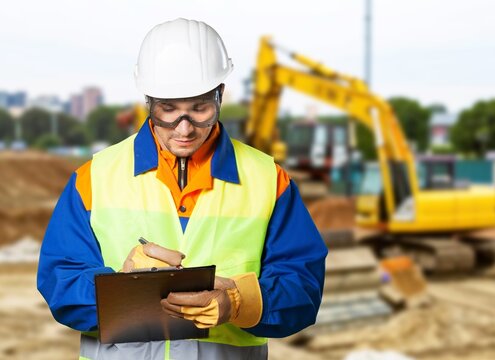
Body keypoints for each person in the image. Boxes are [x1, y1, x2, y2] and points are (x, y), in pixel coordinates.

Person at [37, 17, 327, 360]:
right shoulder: (95, 177)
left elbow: (303, 285)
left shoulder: (268, 179)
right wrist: (122, 286)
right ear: (148, 102)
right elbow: (60, 279)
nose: (184, 128)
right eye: (169, 110)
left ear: (220, 96)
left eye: (199, 109)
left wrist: (239, 301)